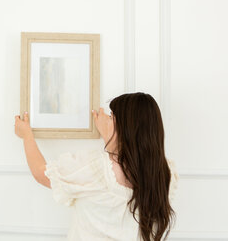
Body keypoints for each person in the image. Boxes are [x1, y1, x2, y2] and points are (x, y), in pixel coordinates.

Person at [14, 92, 179, 241]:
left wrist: (26, 135)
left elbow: (41, 172)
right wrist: (110, 137)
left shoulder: (96, 168)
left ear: (125, 129)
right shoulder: (165, 175)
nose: (107, 119)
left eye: (112, 117)